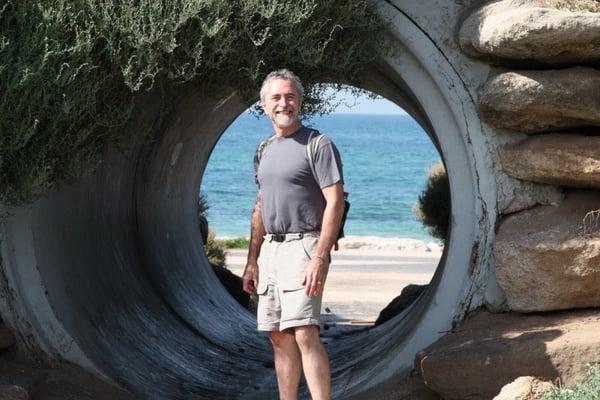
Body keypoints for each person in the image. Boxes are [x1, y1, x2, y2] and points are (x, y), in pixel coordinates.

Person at [242, 69, 345, 400]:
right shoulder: (263, 150)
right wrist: (252, 261)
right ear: (264, 105)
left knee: (304, 331)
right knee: (278, 335)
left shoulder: (318, 144)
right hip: (271, 249)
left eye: (290, 96)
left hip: (305, 246)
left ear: (299, 101)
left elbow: (335, 202)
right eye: (276, 97)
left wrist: (319, 256)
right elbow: (260, 208)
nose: (283, 103)